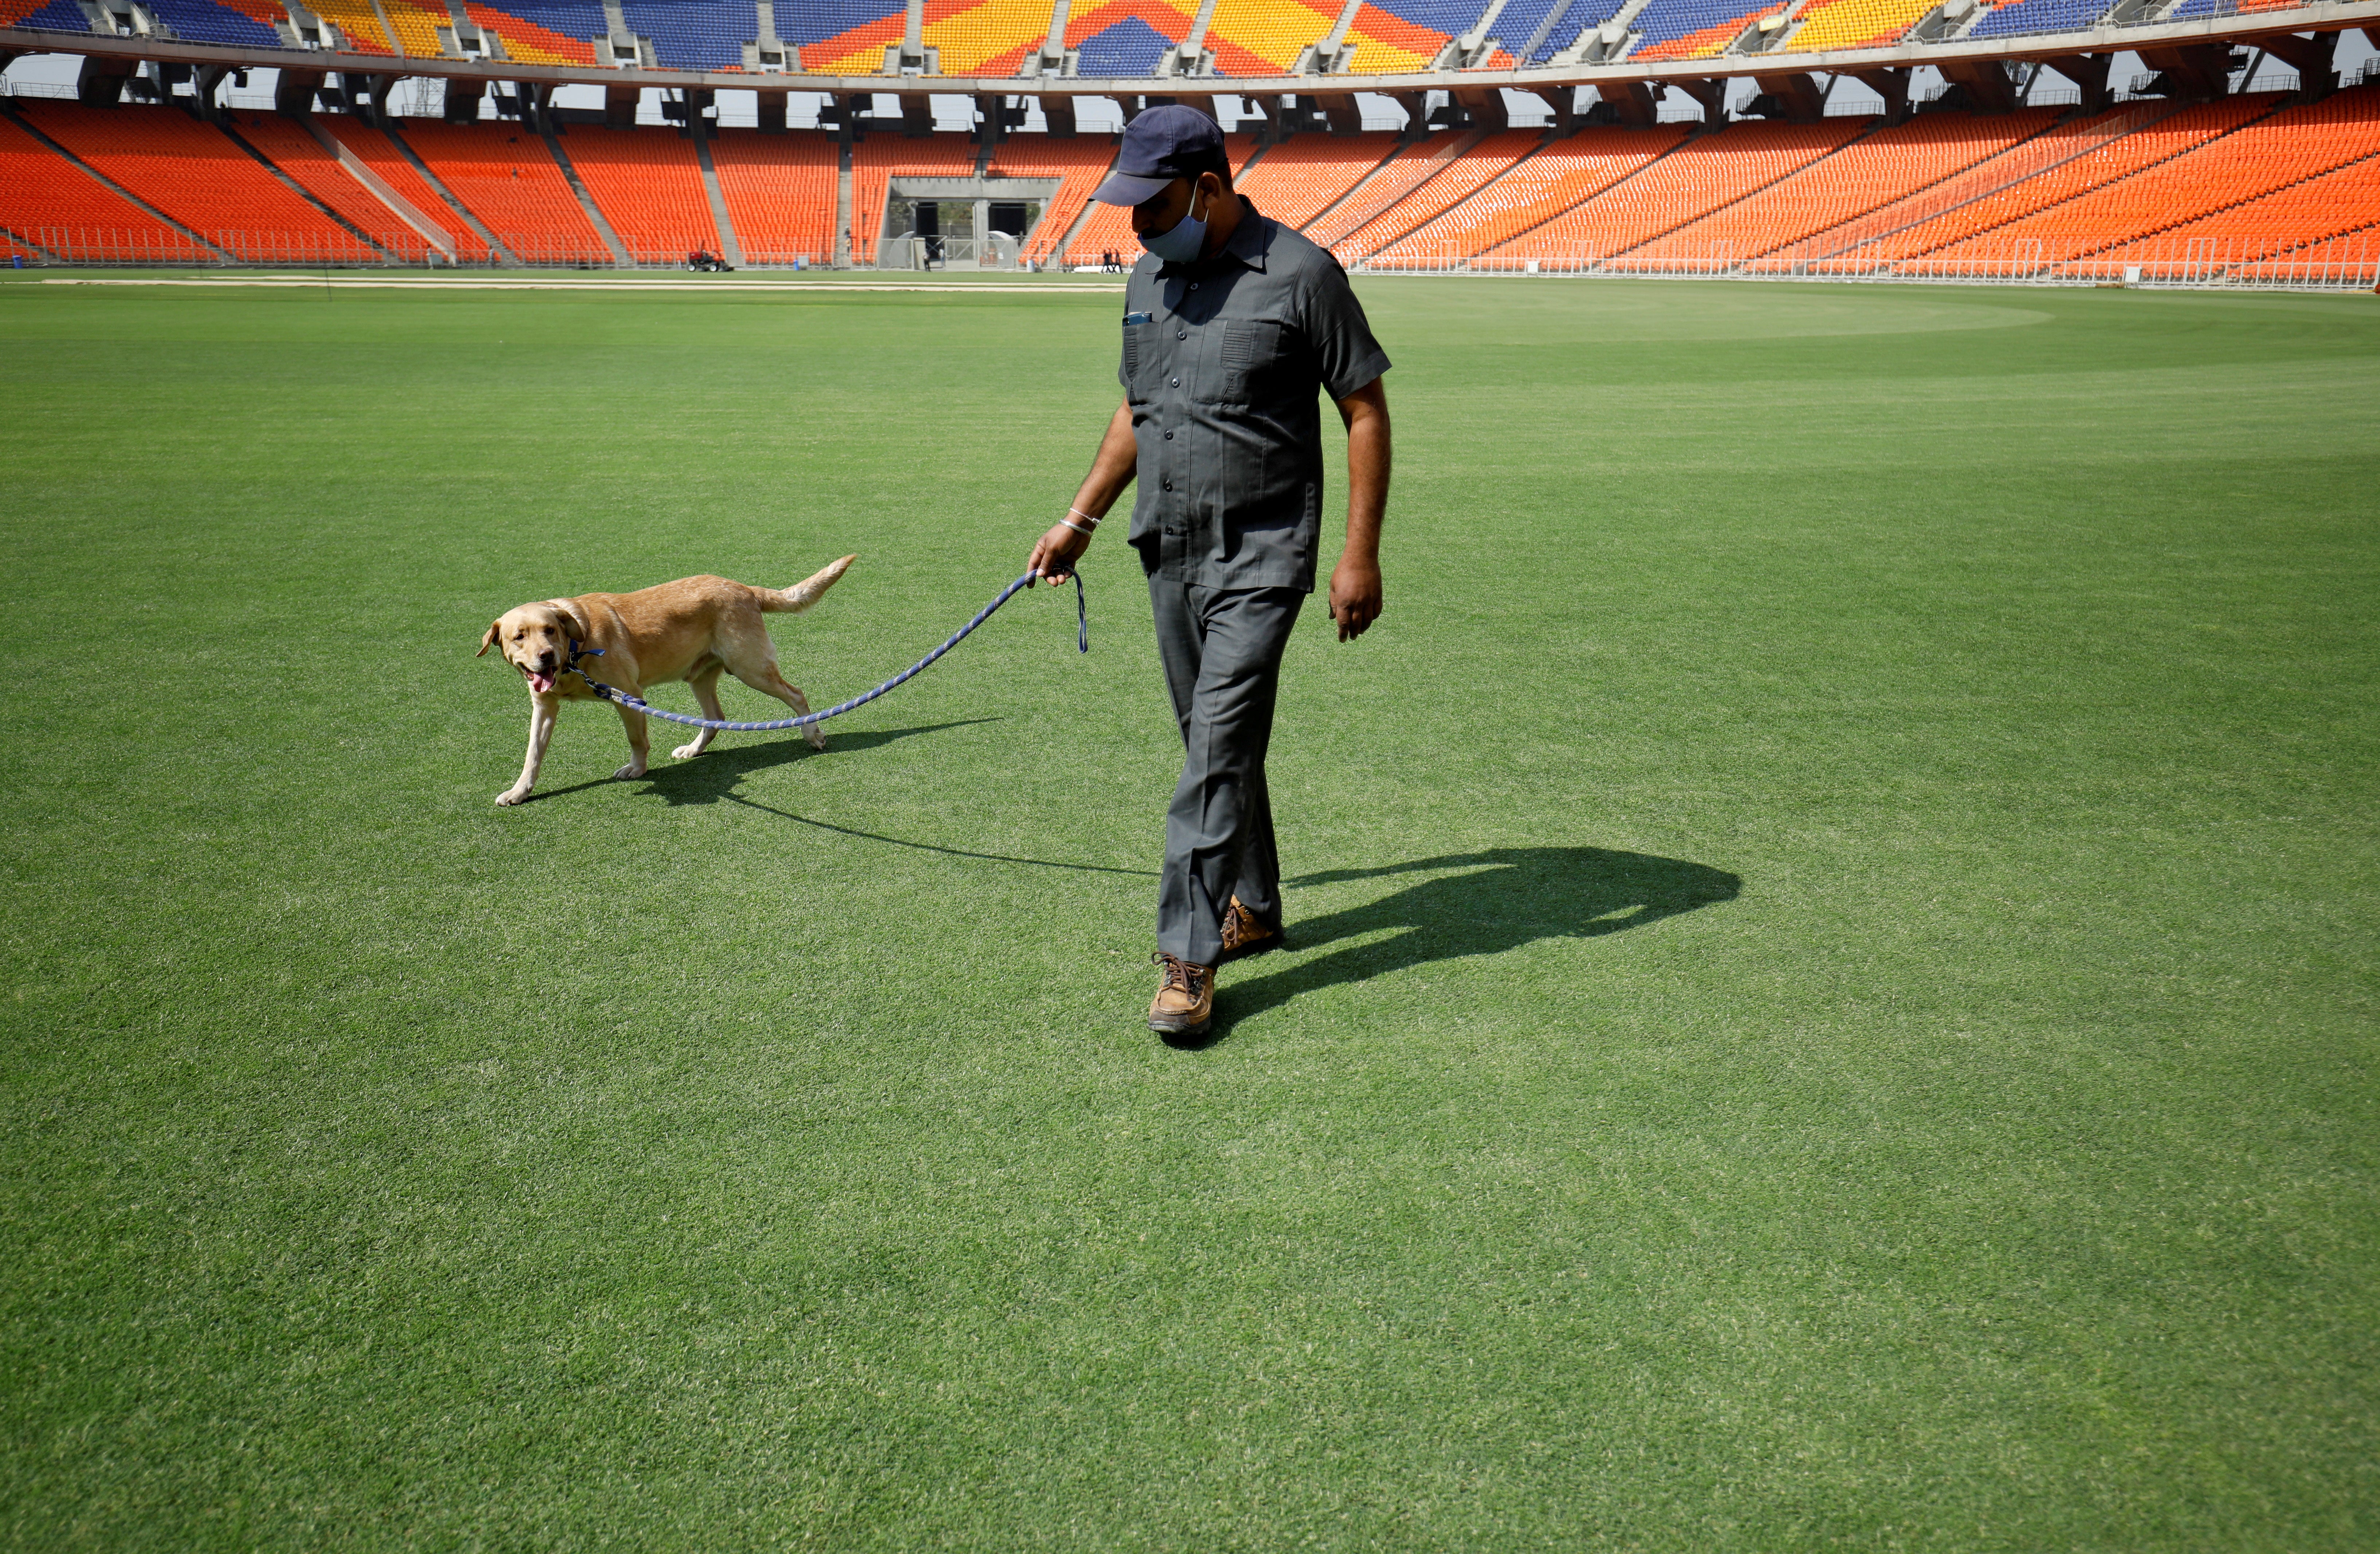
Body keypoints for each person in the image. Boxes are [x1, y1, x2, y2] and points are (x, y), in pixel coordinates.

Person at [1026, 105, 1391, 1042]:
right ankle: (1258, 905)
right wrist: (1081, 519)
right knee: (1211, 741)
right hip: (1169, 547)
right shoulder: (1148, 276)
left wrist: (1359, 553)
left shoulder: (1303, 275)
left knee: (1216, 748)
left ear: (1210, 189)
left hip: (1264, 555)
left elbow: (1363, 408)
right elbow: (1137, 411)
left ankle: (1189, 958)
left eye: (1152, 206)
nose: (1137, 225)